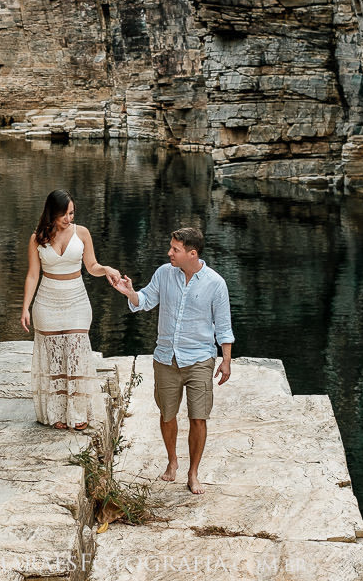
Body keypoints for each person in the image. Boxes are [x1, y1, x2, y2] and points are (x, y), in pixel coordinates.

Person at [110, 227, 233, 494]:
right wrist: (129, 292)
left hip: (200, 358)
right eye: (171, 247)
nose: (169, 253)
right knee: (167, 415)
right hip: (166, 358)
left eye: (175, 249)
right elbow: (144, 300)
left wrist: (226, 360)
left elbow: (223, 326)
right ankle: (172, 461)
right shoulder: (164, 274)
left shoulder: (215, 283)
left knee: (198, 418)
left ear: (192, 253)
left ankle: (193, 472)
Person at [21, 190, 122, 430]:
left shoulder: (82, 232)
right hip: (47, 300)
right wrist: (25, 307)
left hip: (76, 298)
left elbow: (91, 266)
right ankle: (56, 413)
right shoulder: (37, 238)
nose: (69, 218)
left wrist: (106, 269)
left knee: (76, 353)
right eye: (64, 214)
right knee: (53, 359)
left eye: (72, 213)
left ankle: (78, 413)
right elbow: (33, 275)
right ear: (52, 213)